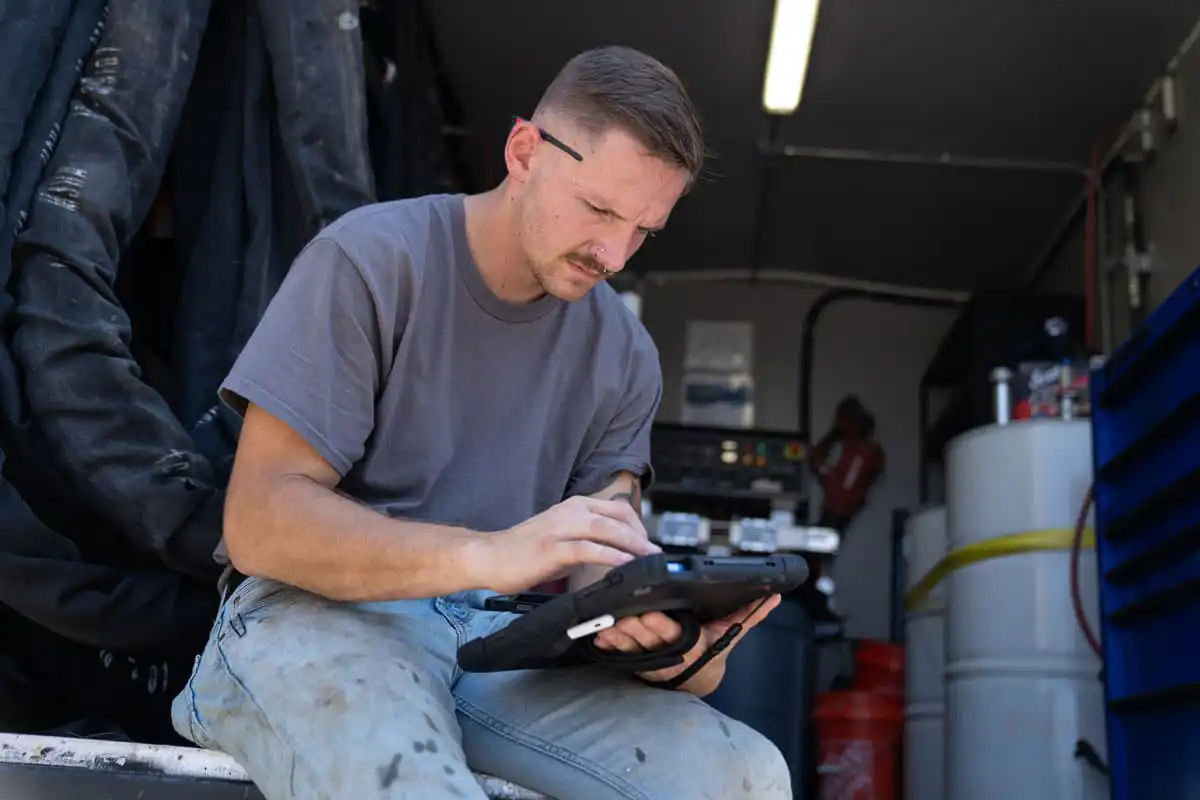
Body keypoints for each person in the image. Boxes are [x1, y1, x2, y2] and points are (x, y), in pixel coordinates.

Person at [170, 46, 792, 800]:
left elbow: (603, 552)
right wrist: (489, 555)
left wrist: (665, 638)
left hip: (498, 649)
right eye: (599, 210)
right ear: (524, 151)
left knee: (748, 778)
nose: (614, 253)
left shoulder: (625, 353)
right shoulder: (372, 259)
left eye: (643, 230)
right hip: (315, 620)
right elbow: (260, 521)